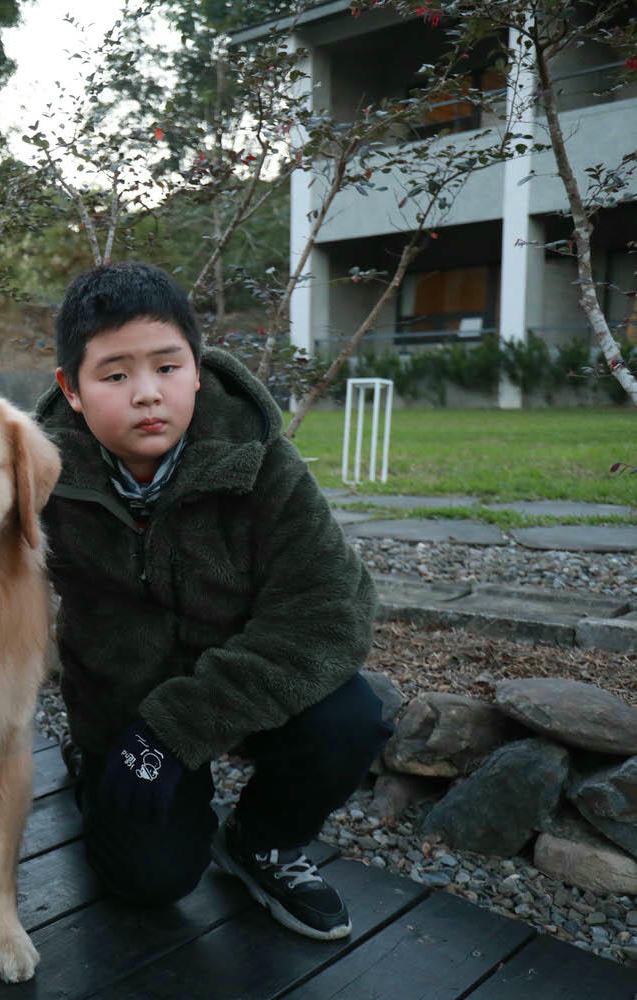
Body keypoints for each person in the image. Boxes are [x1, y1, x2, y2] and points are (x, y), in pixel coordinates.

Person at [33, 261, 392, 941]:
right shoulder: (39, 474)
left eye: (168, 368)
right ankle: (94, 771)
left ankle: (262, 841)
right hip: (121, 706)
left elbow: (329, 616)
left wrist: (173, 732)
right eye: (114, 375)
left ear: (197, 368)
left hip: (230, 695)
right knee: (150, 882)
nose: (147, 395)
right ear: (71, 390)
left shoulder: (262, 464)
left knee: (352, 717)